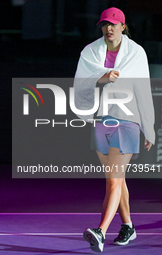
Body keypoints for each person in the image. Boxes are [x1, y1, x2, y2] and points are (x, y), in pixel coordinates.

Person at [73, 7, 155, 253]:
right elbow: (81, 84)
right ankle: (128, 226)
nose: (108, 28)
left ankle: (100, 231)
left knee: (113, 181)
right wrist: (102, 78)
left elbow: (143, 90)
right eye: (105, 24)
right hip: (101, 120)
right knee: (117, 181)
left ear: (123, 26)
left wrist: (148, 127)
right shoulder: (90, 52)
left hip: (127, 121)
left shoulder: (136, 53)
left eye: (113, 24)